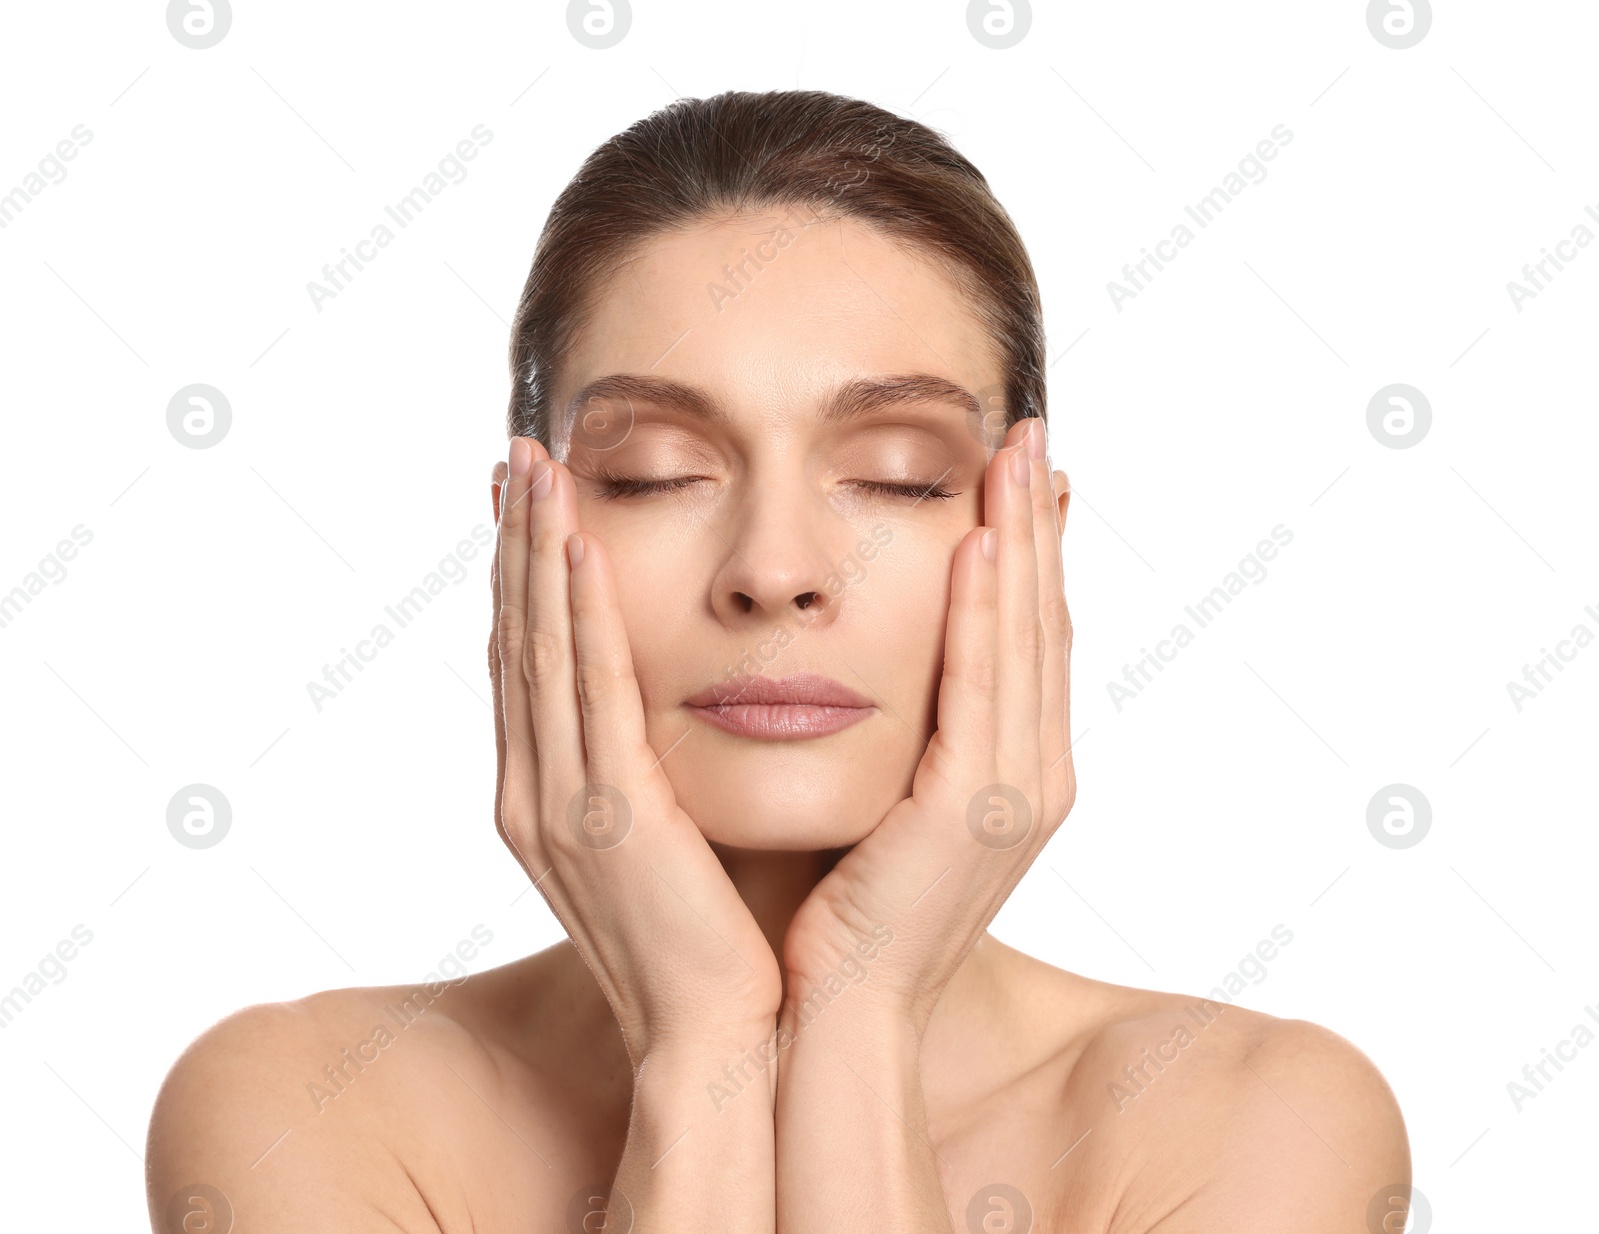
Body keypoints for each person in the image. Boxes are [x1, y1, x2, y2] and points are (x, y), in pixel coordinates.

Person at [146, 89, 1409, 1233]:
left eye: (896, 476)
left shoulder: (1260, 1124)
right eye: (654, 474)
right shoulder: (303, 1110)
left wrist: (856, 1020)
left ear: (1031, 545)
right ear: (525, 537)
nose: (776, 566)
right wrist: (699, 1045)